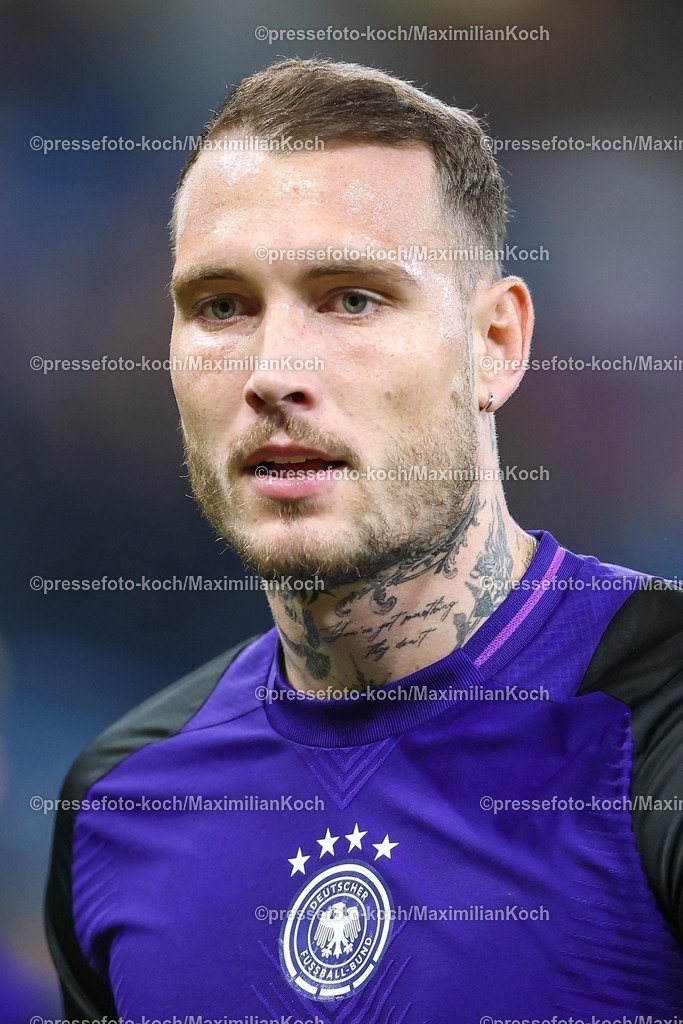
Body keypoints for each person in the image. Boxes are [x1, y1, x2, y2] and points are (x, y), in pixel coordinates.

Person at [46, 58, 683, 1019]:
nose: (274, 373)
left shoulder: (660, 721)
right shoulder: (116, 801)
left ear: (496, 344)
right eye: (221, 306)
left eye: (351, 298)